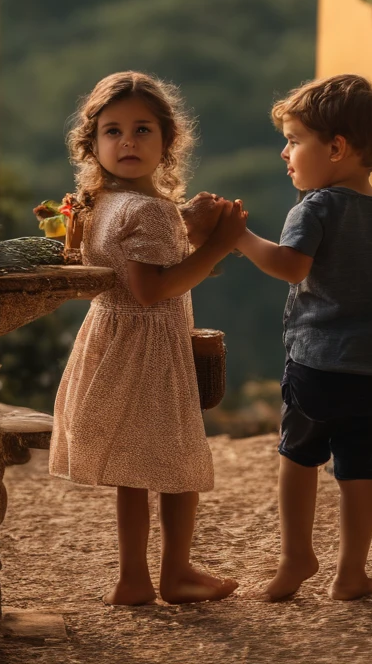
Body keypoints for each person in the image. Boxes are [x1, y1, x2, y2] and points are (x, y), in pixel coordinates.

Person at [49, 70, 247, 606]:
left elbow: (138, 253)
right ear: (93, 144)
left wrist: (185, 223)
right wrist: (219, 245)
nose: (128, 142)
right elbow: (150, 290)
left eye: (142, 130)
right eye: (113, 132)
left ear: (167, 142)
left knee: (132, 469)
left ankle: (133, 578)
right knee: (178, 462)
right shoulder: (150, 209)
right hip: (149, 349)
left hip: (111, 343)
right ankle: (176, 573)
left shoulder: (101, 203)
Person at [234, 74, 372, 602]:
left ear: (336, 148)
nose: (284, 152)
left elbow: (291, 266)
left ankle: (297, 557)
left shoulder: (316, 208)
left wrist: (240, 238)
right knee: (361, 469)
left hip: (318, 362)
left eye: (294, 140)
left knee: (299, 457)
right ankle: (351, 572)